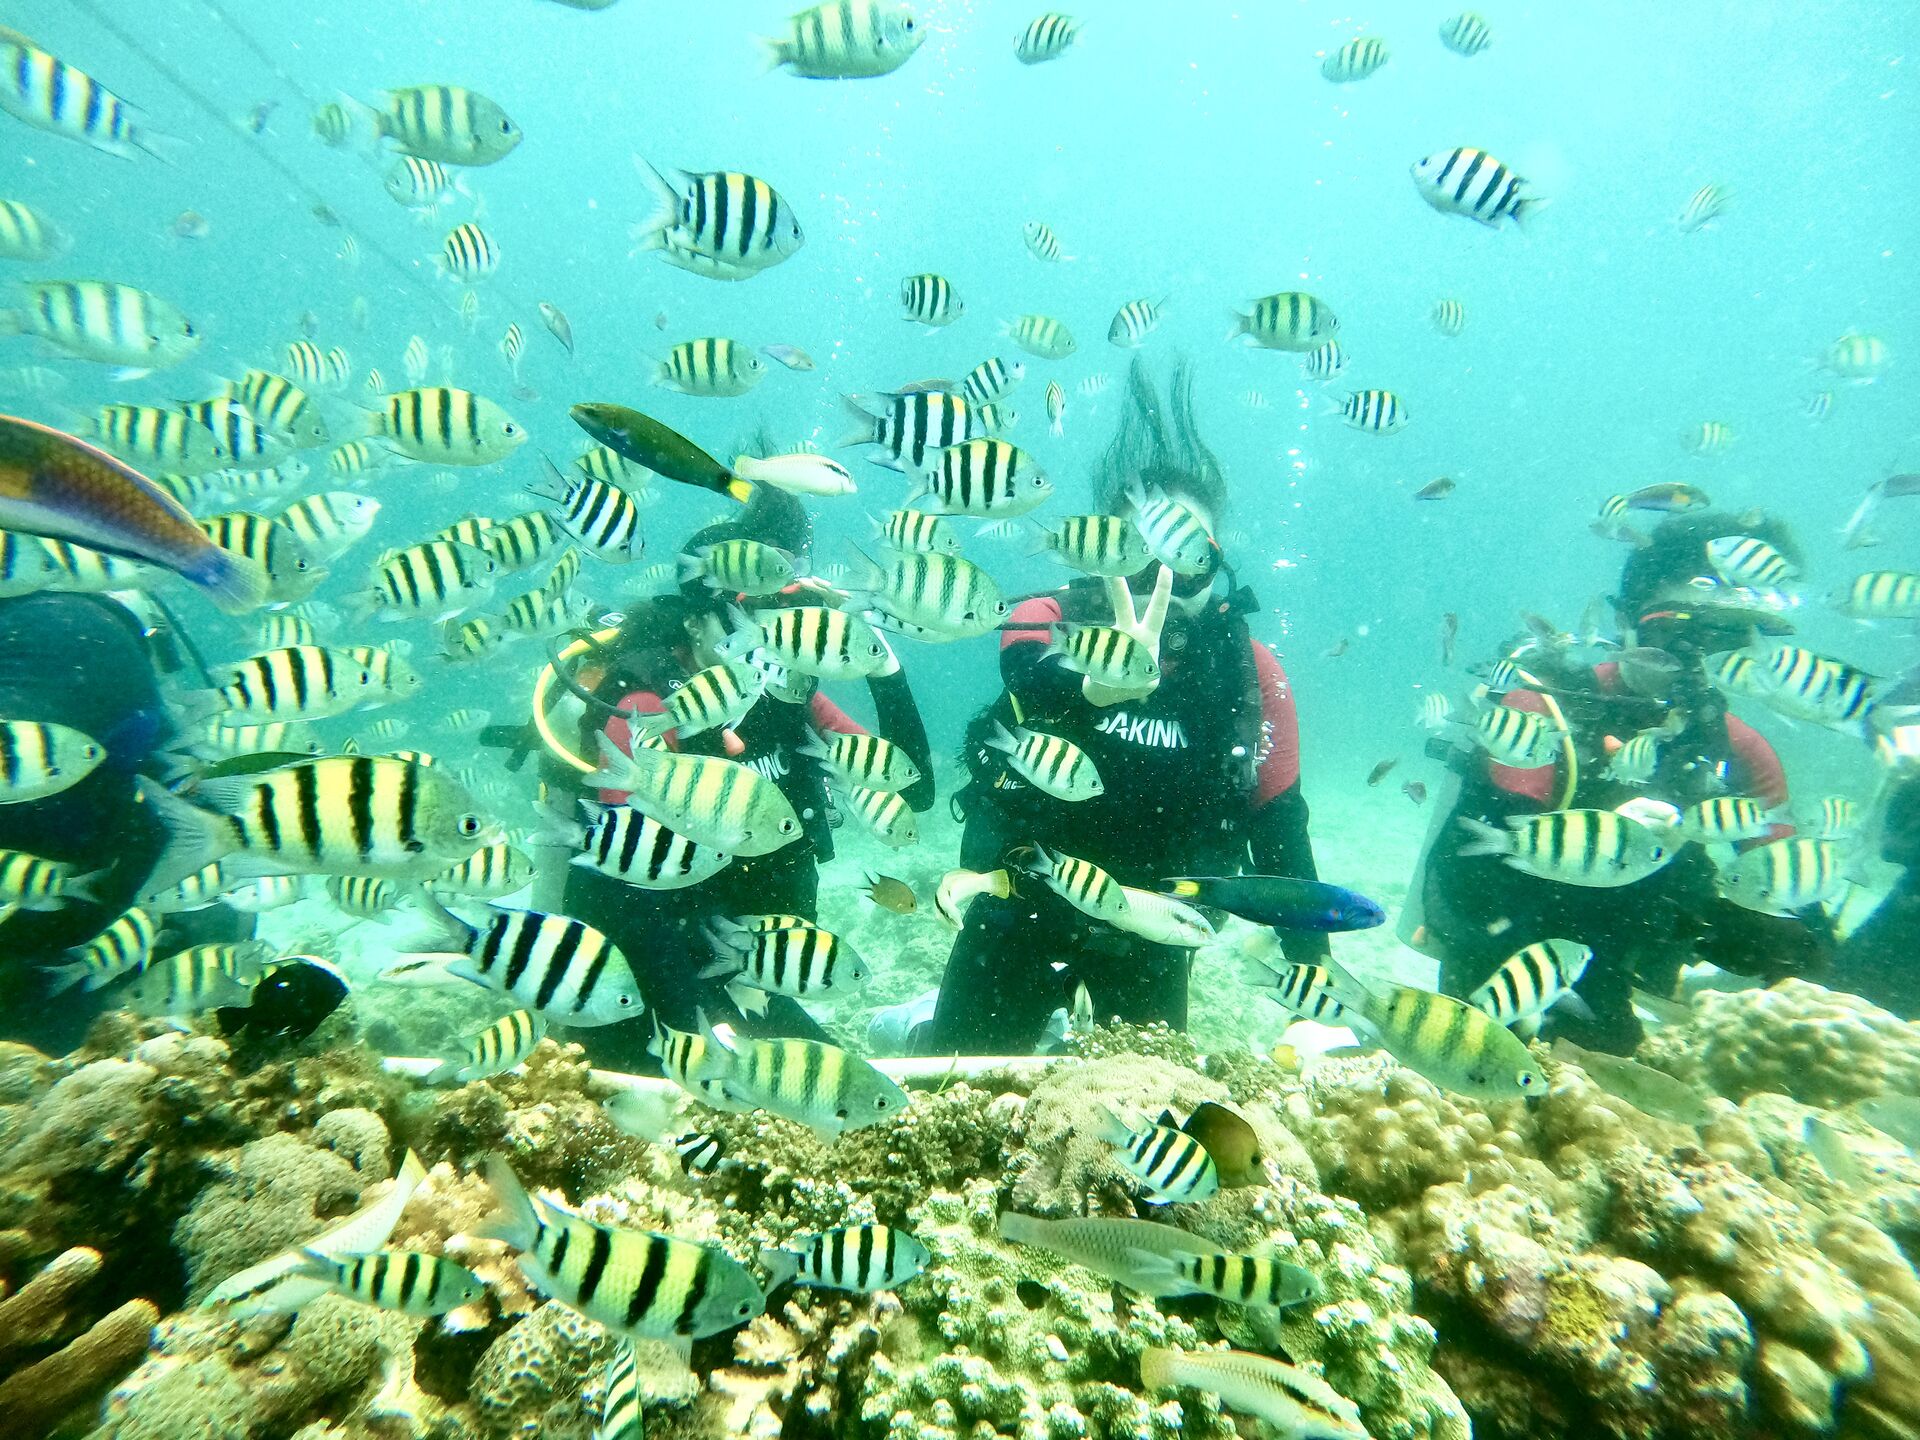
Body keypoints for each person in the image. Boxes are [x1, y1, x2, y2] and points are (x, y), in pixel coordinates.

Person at [916, 360, 1330, 1055]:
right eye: (1139, 558)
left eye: (1189, 559)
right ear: (1103, 557)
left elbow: (1281, 830)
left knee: (1144, 1116)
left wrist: (1314, 980)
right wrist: (1091, 685)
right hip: (1021, 899)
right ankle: (918, 1021)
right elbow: (1024, 669)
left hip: (1160, 924)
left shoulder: (1252, 674)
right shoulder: (1052, 615)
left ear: (1217, 564)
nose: (1161, 581)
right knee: (957, 1074)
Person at [1400, 510, 1835, 1052]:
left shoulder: (1741, 749)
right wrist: (1609, 836)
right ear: (1625, 620)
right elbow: (1475, 887)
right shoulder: (1540, 712)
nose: (1692, 662)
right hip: (1502, 968)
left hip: (1626, 967)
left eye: (1721, 642)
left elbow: (1797, 915)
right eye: (1675, 636)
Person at [541, 484, 935, 1067]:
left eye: (775, 616)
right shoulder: (650, 699)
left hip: (750, 963)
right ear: (697, 621)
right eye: (746, 616)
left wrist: (880, 659)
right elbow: (635, 877)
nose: (766, 638)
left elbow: (915, 789)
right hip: (640, 970)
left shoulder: (784, 695)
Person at [0, 589, 243, 1048]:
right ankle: (53, 1033)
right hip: (57, 846)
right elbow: (168, 777)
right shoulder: (115, 647)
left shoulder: (17, 613)